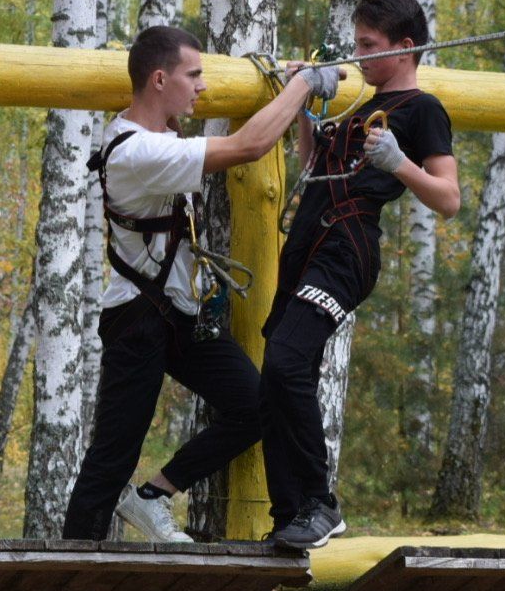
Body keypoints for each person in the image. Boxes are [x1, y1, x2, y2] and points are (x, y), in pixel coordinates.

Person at [62, 26, 344, 542]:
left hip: (180, 316)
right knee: (111, 458)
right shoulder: (136, 153)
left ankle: (152, 496)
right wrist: (301, 87)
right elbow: (250, 145)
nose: (203, 87)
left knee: (256, 404)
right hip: (137, 321)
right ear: (159, 79)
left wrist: (290, 88)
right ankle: (68, 579)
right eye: (194, 75)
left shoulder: (160, 138)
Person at [263, 0, 461, 550]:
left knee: (286, 360)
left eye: (369, 46)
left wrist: (400, 163)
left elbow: (449, 199)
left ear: (405, 47)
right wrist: (305, 108)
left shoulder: (422, 110)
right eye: (356, 45)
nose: (359, 56)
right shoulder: (357, 107)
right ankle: (290, 516)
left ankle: (319, 504)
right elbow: (313, 168)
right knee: (273, 381)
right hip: (305, 246)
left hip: (345, 252)